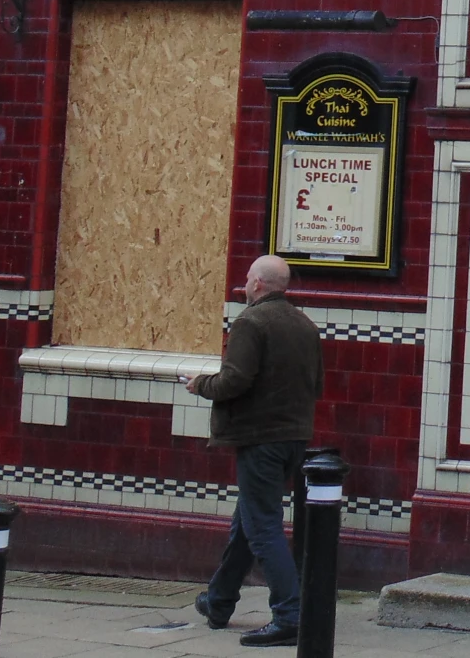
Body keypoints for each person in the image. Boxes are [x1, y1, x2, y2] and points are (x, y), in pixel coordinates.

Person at [182, 255, 321, 648]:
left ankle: (290, 615)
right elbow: (318, 382)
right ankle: (219, 601)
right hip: (294, 438)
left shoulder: (250, 322)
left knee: (262, 527)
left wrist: (201, 385)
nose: (244, 286)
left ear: (259, 284)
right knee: (247, 522)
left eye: (246, 280)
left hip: (261, 440)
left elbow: (234, 380)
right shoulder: (305, 325)